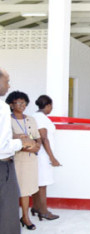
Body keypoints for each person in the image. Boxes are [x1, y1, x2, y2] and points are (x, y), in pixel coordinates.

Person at [0, 68, 35, 234]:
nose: (8, 85)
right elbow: (3, 146)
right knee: (8, 211)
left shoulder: (30, 119)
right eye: (6, 81)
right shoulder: (2, 108)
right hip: (3, 164)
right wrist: (21, 142)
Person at [6, 91, 41, 230]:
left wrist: (35, 146)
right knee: (13, 192)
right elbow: (8, 141)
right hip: (15, 160)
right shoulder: (7, 119)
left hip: (30, 161)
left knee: (26, 191)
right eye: (18, 103)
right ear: (11, 104)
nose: (22, 105)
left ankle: (25, 217)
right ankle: (10, 219)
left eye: (24, 102)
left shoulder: (30, 119)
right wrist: (27, 146)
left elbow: (37, 138)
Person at [32, 95, 61, 220]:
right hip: (43, 156)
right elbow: (44, 139)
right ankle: (43, 211)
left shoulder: (35, 116)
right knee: (42, 184)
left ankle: (36, 207)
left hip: (39, 155)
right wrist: (52, 158)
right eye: (51, 106)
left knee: (38, 183)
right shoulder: (41, 119)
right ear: (48, 105)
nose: (51, 108)